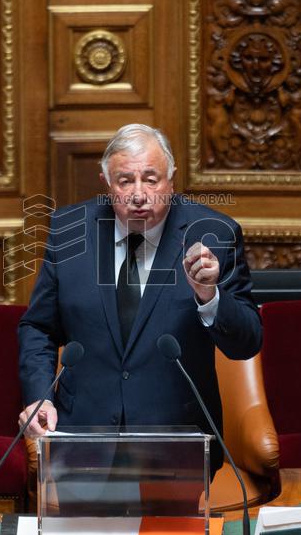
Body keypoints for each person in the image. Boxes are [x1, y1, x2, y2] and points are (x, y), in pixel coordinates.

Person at [17, 124, 262, 472]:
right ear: (106, 183)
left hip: (176, 446)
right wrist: (40, 395)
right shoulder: (68, 229)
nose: (139, 194)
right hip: (82, 442)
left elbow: (246, 343)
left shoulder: (214, 234)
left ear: (172, 179)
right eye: (125, 181)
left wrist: (210, 295)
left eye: (151, 179)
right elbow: (37, 328)